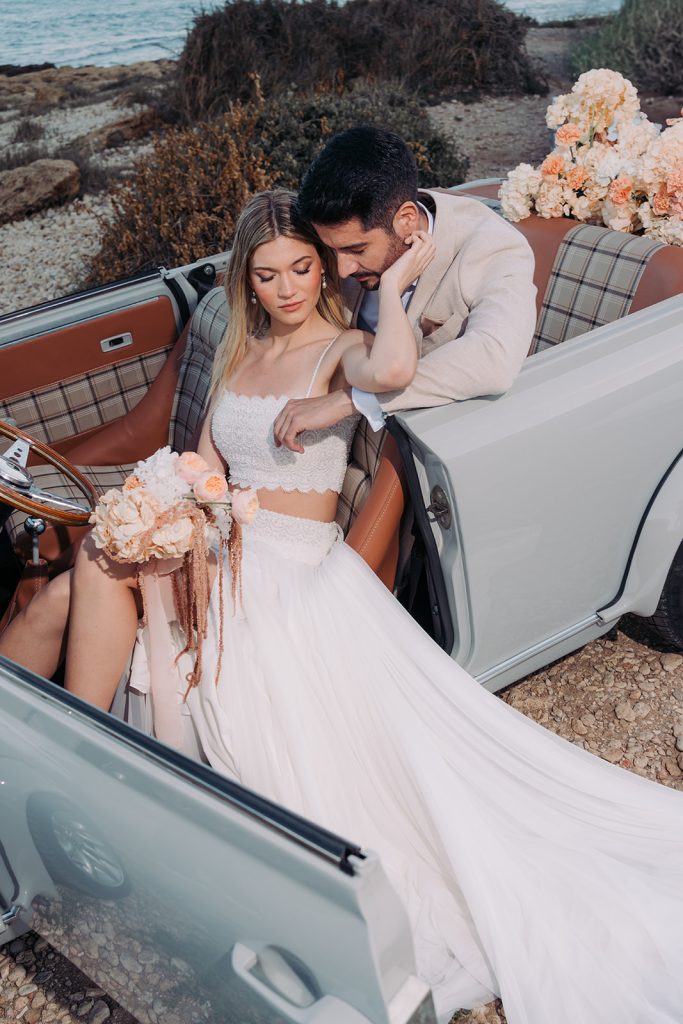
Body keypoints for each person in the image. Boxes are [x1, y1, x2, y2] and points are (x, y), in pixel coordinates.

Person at [20, 189, 682, 1024]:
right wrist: (165, 512)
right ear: (246, 281)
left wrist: (393, 285)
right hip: (222, 539)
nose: (286, 288)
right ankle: (57, 753)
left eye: (302, 268)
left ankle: (73, 760)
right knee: (81, 575)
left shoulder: (345, 348)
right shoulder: (239, 350)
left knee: (91, 569)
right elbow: (202, 467)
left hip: (290, 565)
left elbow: (396, 373)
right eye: (267, 275)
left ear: (323, 268)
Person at [271, 126, 537, 453]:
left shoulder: (494, 247)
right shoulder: (349, 232)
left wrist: (353, 400)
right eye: (331, 250)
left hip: (434, 445)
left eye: (356, 249)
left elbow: (494, 359)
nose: (342, 270)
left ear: (407, 219)